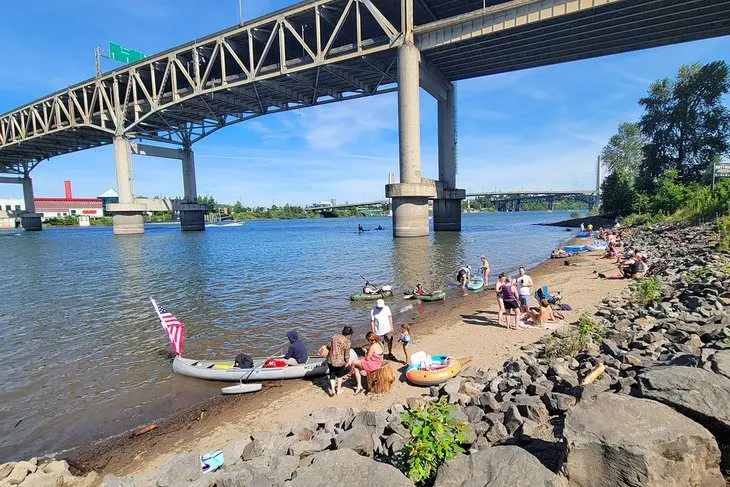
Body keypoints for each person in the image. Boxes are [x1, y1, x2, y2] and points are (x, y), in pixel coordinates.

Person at [325, 326, 353, 396]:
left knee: (332, 374)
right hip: (340, 361)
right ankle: (338, 390)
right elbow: (347, 355)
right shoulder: (347, 342)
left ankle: (333, 390)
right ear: (349, 334)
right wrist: (347, 361)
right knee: (339, 375)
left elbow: (328, 345)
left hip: (331, 359)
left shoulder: (335, 337)